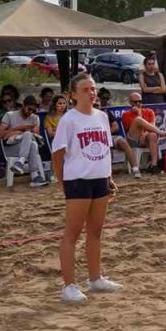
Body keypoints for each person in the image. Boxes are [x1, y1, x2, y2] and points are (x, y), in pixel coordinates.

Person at [51, 72, 123, 304]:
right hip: (78, 181)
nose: (91, 93)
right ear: (73, 94)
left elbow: (105, 149)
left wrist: (109, 177)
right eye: (85, 89)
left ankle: (95, 278)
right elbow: (58, 154)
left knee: (95, 232)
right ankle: (69, 286)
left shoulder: (102, 116)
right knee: (72, 233)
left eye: (92, 89)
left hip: (99, 179)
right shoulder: (69, 120)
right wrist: (63, 183)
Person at [0, 94, 49, 187]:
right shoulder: (10, 115)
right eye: (29, 109)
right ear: (23, 105)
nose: (31, 112)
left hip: (27, 146)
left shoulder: (35, 118)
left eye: (33, 110)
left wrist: (23, 132)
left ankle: (21, 162)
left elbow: (36, 136)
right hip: (12, 148)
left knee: (32, 142)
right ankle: (35, 176)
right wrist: (19, 128)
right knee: (28, 136)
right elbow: (0, 134)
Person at [121, 92, 165, 173]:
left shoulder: (149, 111)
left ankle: (154, 165)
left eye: (140, 101)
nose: (138, 103)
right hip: (133, 139)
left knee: (153, 135)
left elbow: (152, 127)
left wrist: (145, 134)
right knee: (138, 120)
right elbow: (137, 127)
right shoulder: (125, 114)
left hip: (145, 138)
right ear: (130, 102)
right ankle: (162, 133)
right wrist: (139, 113)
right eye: (135, 102)